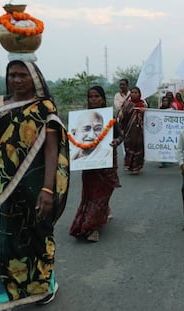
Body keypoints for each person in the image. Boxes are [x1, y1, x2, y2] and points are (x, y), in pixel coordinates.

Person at [0, 60, 69, 308]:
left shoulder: (43, 109)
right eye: (12, 75)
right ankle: (5, 292)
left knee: (36, 237)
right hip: (0, 185)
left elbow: (51, 149)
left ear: (35, 79)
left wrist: (48, 189)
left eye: (22, 75)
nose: (16, 80)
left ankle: (45, 286)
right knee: (2, 242)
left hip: (33, 184)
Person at [70, 86, 122, 242]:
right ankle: (92, 228)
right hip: (89, 164)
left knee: (104, 192)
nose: (93, 99)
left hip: (107, 163)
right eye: (90, 96)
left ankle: (98, 218)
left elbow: (121, 136)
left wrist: (116, 141)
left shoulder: (108, 117)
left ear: (103, 99)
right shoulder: (82, 118)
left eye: (96, 96)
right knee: (92, 194)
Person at [119, 86, 147, 174]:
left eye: (136, 93)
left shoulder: (143, 104)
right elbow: (121, 116)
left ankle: (137, 167)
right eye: (132, 92)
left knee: (139, 147)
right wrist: (121, 115)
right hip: (129, 130)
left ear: (139, 94)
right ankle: (129, 165)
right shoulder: (127, 104)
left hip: (140, 131)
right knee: (129, 147)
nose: (134, 94)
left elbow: (149, 118)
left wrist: (144, 112)